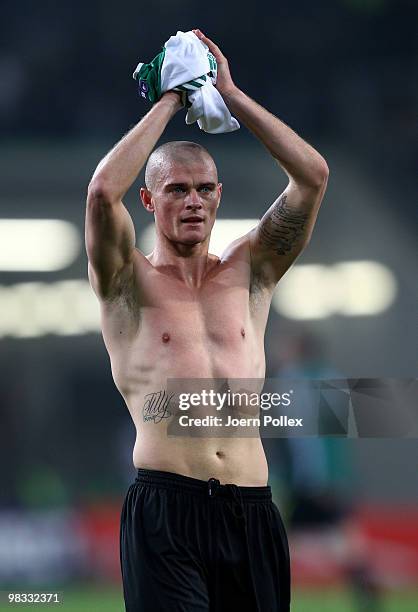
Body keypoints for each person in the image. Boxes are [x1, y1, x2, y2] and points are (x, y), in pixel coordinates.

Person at [85, 28, 328, 612]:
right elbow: (99, 193)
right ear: (150, 201)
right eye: (175, 190)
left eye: (202, 190)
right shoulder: (125, 280)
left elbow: (313, 176)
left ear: (218, 196)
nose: (192, 201)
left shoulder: (253, 271)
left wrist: (230, 94)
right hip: (166, 509)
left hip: (252, 508)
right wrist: (170, 98)